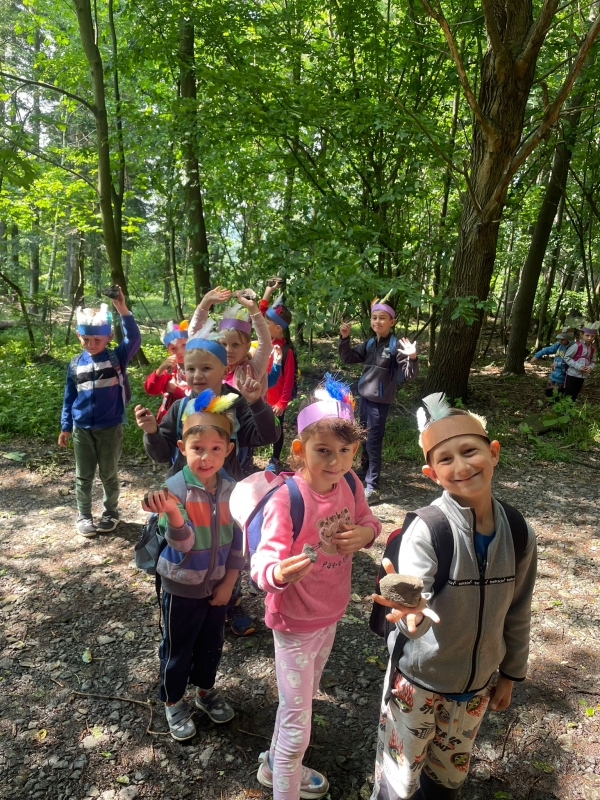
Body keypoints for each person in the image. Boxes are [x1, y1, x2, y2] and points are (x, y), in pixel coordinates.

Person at [370, 393, 537, 800]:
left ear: (493, 452)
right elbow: (415, 599)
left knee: (447, 781)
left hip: (476, 690)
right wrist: (412, 610)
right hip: (417, 686)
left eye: (470, 451)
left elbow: (518, 608)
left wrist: (510, 673)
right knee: (399, 782)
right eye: (446, 459)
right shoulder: (427, 529)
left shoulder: (518, 531)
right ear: (431, 473)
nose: (461, 466)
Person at [251, 375, 382, 800]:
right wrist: (278, 573)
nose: (335, 461)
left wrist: (366, 534)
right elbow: (263, 563)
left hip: (330, 615)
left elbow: (369, 521)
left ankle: (273, 767)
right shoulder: (286, 498)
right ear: (299, 449)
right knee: (297, 726)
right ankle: (285, 779)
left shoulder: (351, 484)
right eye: (323, 450)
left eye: (344, 451)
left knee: (304, 698)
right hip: (294, 622)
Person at [141, 390, 244, 740]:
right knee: (177, 647)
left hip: (218, 585)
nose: (206, 456)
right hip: (181, 588)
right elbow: (182, 543)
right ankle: (172, 700)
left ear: (228, 449)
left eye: (215, 448)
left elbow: (239, 541)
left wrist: (229, 583)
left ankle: (204, 691)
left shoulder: (233, 489)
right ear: (182, 448)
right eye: (197, 448)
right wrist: (172, 512)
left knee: (211, 645)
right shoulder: (174, 489)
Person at [135, 319, 279, 481]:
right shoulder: (179, 408)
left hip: (227, 490)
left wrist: (256, 403)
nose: (197, 375)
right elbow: (162, 455)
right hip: (184, 491)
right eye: (190, 369)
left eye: (206, 368)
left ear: (225, 371)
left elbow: (268, 435)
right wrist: (152, 432)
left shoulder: (237, 407)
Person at [58, 290, 141, 537]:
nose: (91, 344)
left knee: (108, 473)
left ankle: (111, 512)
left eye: (97, 339)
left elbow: (134, 338)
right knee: (83, 475)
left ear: (109, 337)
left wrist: (122, 308)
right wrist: (65, 426)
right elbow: (69, 397)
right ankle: (84, 515)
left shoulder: (117, 358)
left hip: (110, 427)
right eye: (86, 339)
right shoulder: (75, 364)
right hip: (81, 428)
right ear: (78, 335)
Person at [339, 297, 418, 502]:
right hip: (364, 398)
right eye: (374, 317)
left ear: (392, 322)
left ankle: (373, 486)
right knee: (363, 437)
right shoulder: (370, 343)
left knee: (373, 441)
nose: (377, 321)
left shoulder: (396, 345)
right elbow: (348, 358)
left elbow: (409, 374)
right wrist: (345, 338)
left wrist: (412, 357)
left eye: (382, 318)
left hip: (380, 402)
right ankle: (365, 470)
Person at [259, 283, 296, 473]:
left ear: (278, 327)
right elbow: (258, 315)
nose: (264, 325)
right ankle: (246, 455)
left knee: (277, 430)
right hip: (258, 396)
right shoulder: (263, 342)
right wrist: (268, 291)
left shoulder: (286, 351)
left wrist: (282, 403)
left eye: (268, 323)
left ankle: (274, 459)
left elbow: (289, 380)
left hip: (275, 401)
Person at [144, 320, 189, 423]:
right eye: (174, 348)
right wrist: (160, 370)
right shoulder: (170, 370)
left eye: (184, 345)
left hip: (191, 419)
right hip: (169, 420)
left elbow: (202, 395)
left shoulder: (200, 367)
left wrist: (177, 390)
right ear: (169, 351)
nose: (180, 352)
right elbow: (151, 390)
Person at [529, 326, 574, 399]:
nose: (560, 341)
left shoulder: (573, 348)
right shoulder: (559, 345)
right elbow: (549, 349)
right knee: (548, 392)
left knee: (557, 395)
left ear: (568, 339)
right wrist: (537, 355)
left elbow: (570, 362)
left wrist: (558, 364)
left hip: (563, 377)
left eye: (563, 339)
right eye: (559, 339)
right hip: (554, 375)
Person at [563, 321, 598, 401]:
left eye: (592, 336)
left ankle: (570, 408)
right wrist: (578, 367)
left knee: (575, 394)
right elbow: (567, 357)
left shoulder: (592, 349)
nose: (590, 338)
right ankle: (565, 408)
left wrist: (590, 367)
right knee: (569, 394)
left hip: (582, 376)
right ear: (581, 335)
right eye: (587, 335)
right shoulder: (576, 346)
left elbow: (593, 361)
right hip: (572, 375)